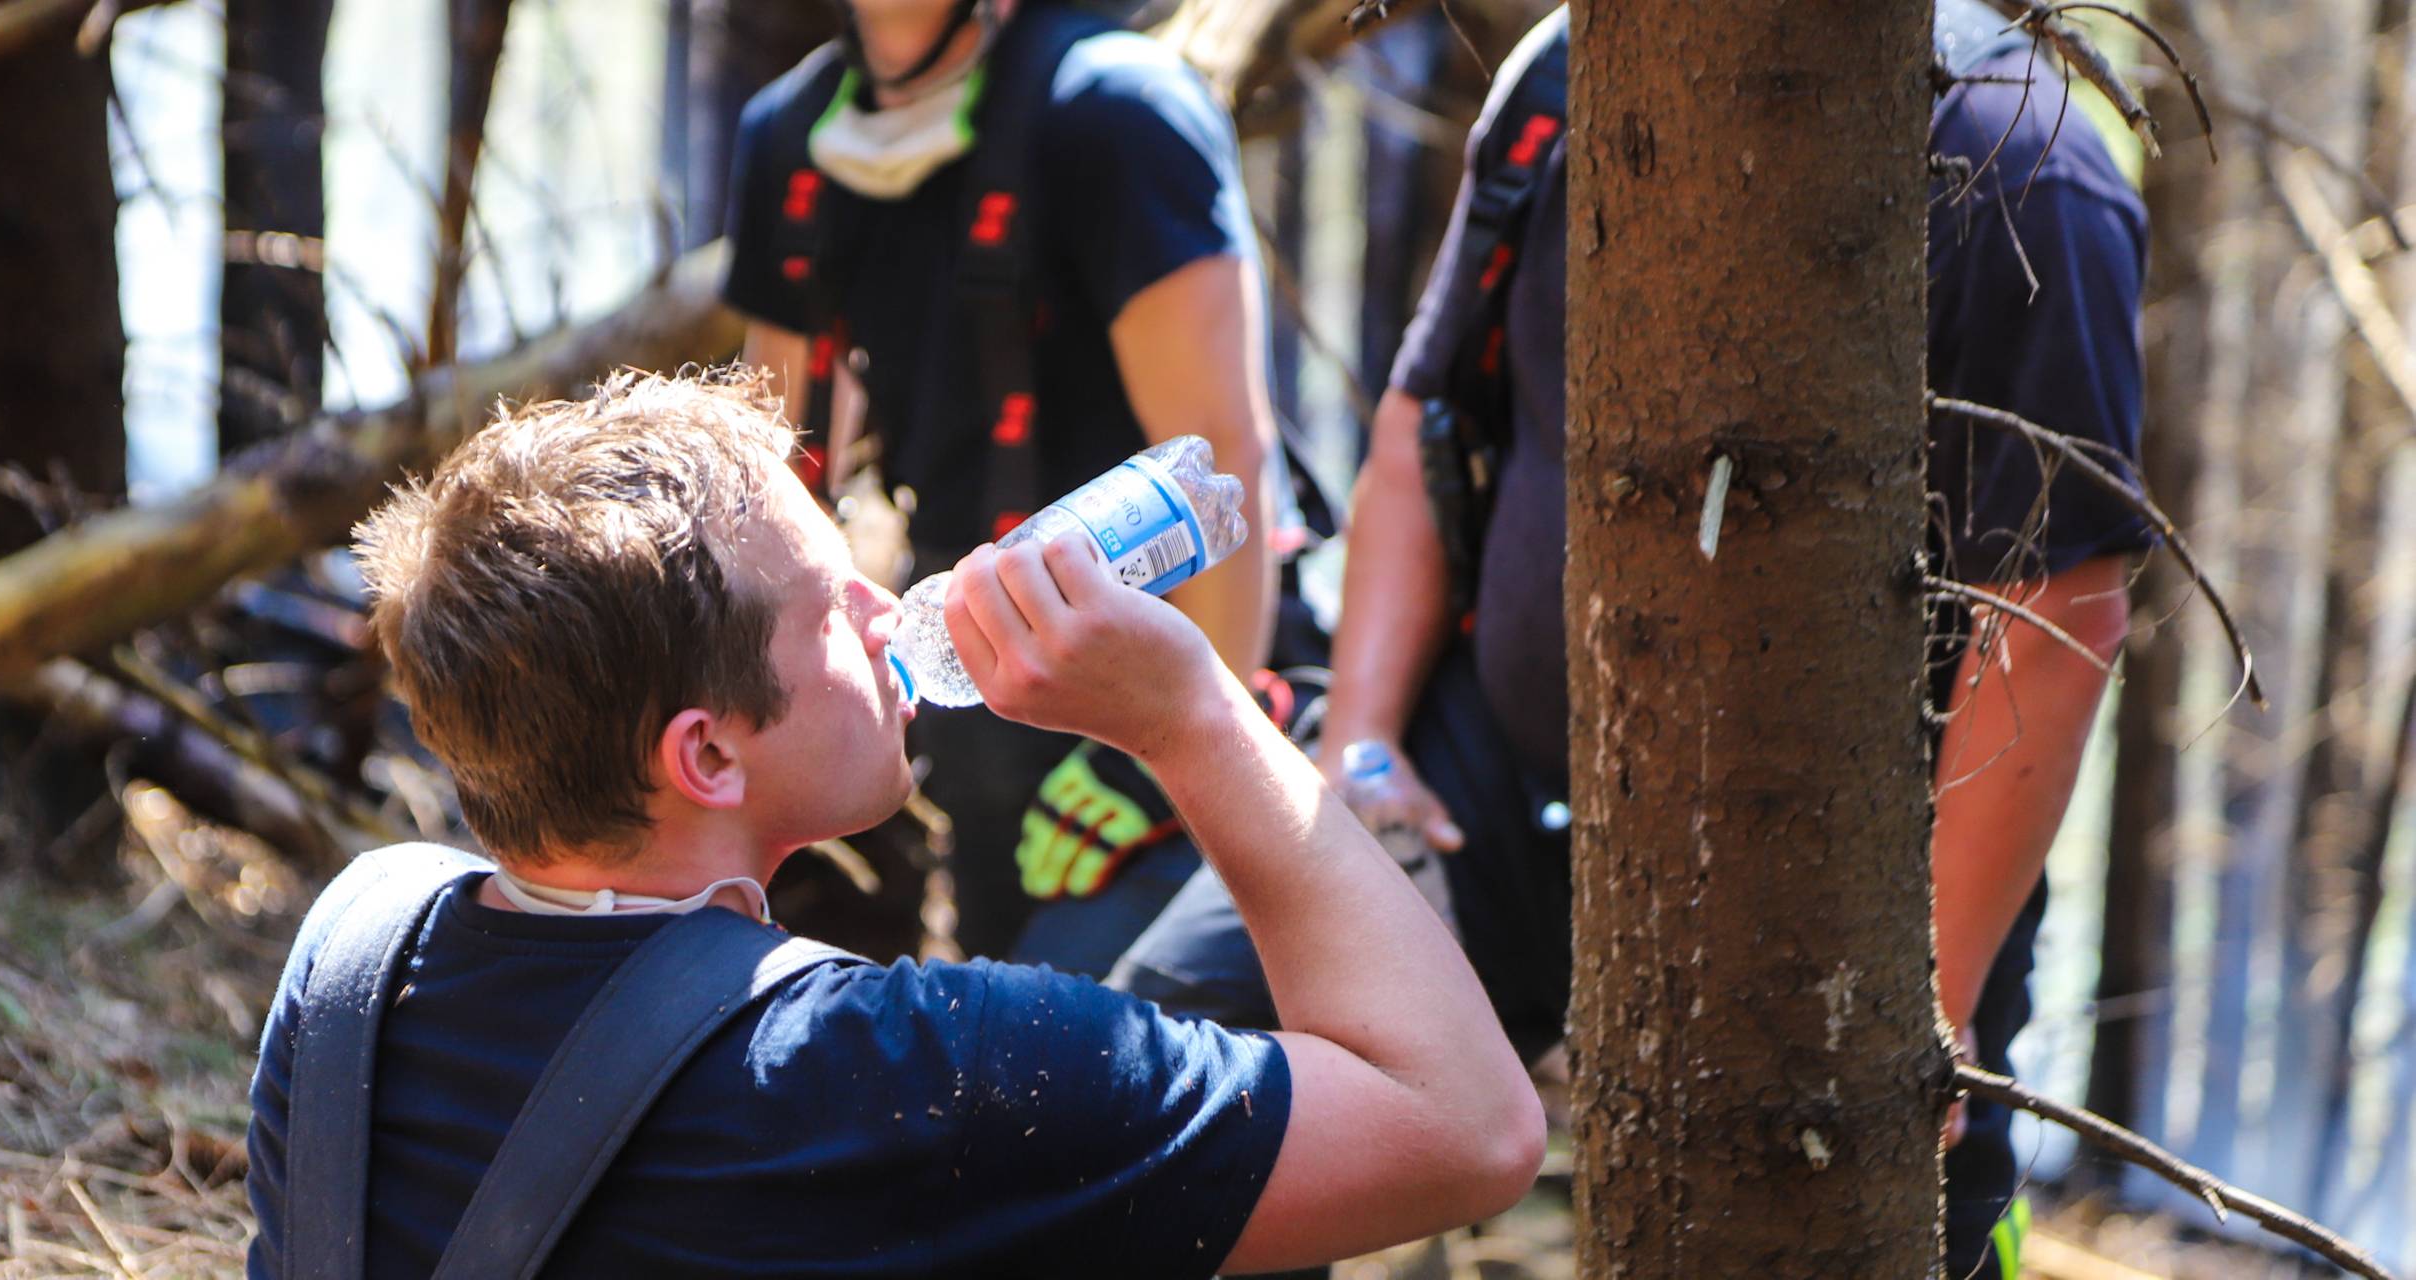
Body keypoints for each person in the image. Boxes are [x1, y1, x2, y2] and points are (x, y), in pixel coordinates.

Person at [1107, 7, 2151, 1278]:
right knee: (1184, 1043)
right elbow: (1421, 415)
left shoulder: (2015, 156)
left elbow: (2055, 609)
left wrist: (1922, 997)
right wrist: (1366, 738)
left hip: (1848, 860)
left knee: (1859, 1224)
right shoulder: (1571, 67)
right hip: (1484, 770)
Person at [243, 369, 1543, 1278]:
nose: (888, 609)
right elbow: (1469, 1127)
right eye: (831, 603)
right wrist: (1196, 712)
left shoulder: (351, 961)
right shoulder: (905, 1074)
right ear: (705, 753)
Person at [724, 0, 1282, 964]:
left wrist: (1169, 765)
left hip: (1162, 655)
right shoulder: (790, 133)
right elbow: (774, 467)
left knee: (1125, 1017)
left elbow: (1225, 456)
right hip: (967, 664)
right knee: (996, 1049)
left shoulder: (1117, 111)